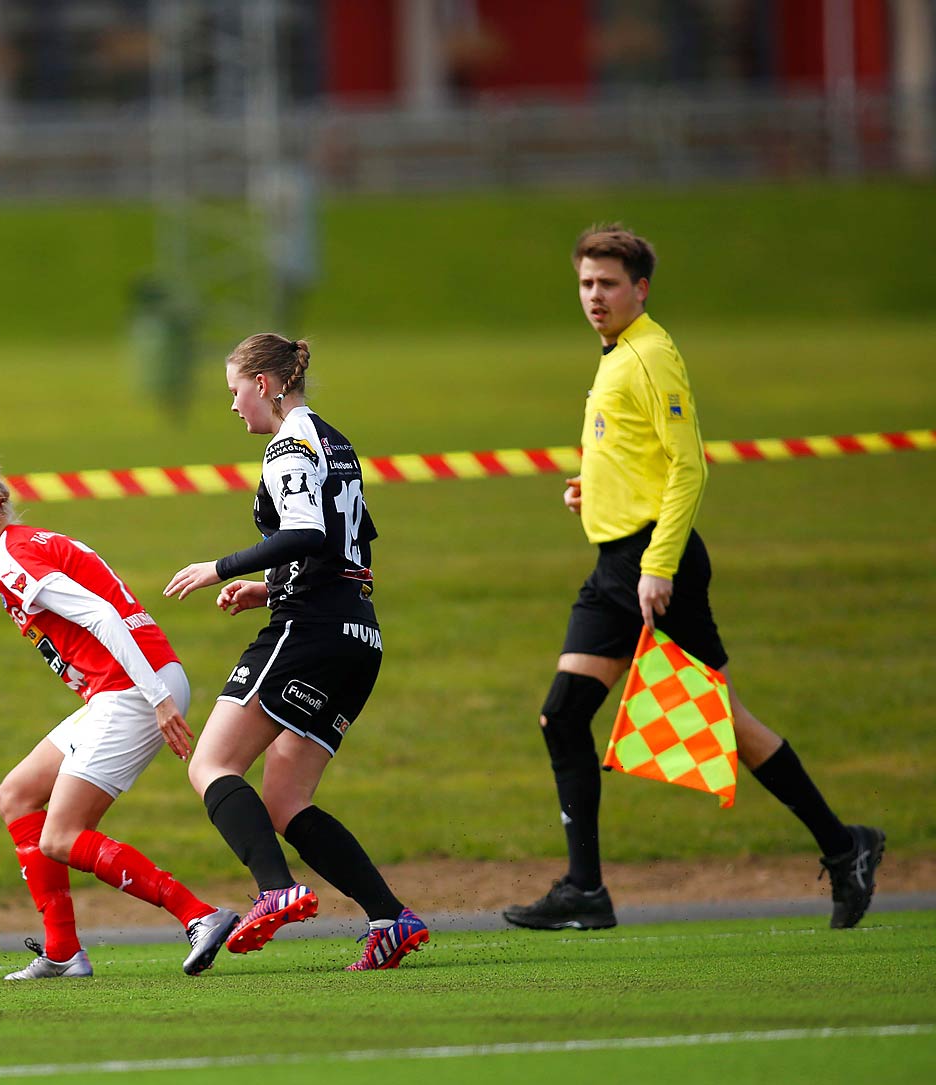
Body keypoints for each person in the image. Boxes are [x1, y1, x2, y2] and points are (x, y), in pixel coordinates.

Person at [504, 223, 886, 932]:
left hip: (654, 564)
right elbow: (641, 455)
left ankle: (845, 845)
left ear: (639, 289)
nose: (595, 296)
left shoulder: (650, 357)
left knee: (724, 725)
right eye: (586, 283)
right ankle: (585, 891)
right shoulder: (618, 355)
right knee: (564, 717)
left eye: (609, 284)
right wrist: (597, 486)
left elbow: (690, 466)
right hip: (618, 562)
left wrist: (657, 566)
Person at [0, 457, 242, 979]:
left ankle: (199, 915)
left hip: (133, 689)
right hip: (124, 687)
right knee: (16, 795)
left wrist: (157, 698)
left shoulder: (15, 561)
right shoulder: (23, 545)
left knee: (61, 835)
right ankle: (62, 951)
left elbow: (103, 615)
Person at [163, 334, 430, 972]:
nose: (233, 408)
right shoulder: (334, 440)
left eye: (234, 392)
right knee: (285, 801)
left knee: (211, 764)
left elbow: (306, 532)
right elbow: (346, 547)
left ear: (264, 384)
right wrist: (266, 589)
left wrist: (219, 567)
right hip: (357, 636)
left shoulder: (287, 445)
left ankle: (274, 890)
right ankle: (391, 918)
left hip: (309, 633)